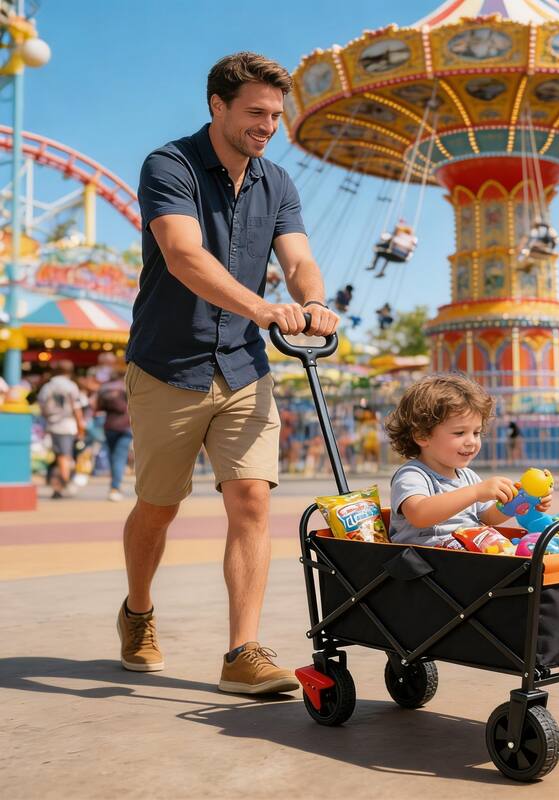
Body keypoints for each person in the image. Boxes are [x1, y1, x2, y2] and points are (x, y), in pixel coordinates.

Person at [118, 52, 339, 693]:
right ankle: (138, 612)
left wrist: (314, 302)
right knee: (158, 507)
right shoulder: (170, 165)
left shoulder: (278, 183)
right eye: (255, 113)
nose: (268, 126)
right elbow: (183, 255)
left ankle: (243, 652)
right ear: (217, 106)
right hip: (168, 363)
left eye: (275, 115)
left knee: (251, 500)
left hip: (244, 367)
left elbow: (298, 261)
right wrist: (261, 308)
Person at [384, 374, 551, 549]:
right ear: (422, 436)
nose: (471, 441)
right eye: (459, 433)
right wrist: (476, 492)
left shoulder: (468, 477)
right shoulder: (412, 475)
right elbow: (419, 514)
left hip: (469, 553)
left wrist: (520, 501)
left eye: (476, 433)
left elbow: (488, 517)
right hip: (426, 559)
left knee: (537, 548)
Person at [37, 360, 85, 499]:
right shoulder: (71, 386)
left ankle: (59, 484)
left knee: (60, 455)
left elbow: (42, 406)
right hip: (67, 425)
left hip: (53, 424)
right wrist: (81, 427)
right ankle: (63, 484)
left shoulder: (48, 386)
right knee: (64, 456)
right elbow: (77, 408)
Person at [96, 368, 133, 502]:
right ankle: (115, 488)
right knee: (119, 457)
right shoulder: (126, 387)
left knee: (113, 457)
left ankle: (115, 486)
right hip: (125, 426)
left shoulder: (104, 389)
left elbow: (98, 407)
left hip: (109, 425)